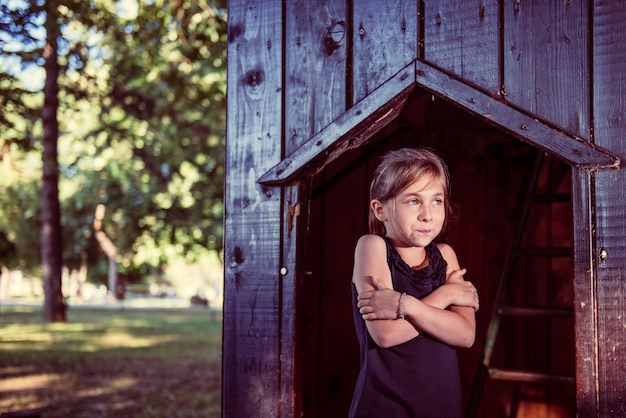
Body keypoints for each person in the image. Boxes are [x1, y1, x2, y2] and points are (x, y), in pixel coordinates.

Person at [349, 147, 479, 418]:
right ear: (380, 209)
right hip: (387, 406)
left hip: (441, 405)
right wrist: (446, 295)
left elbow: (465, 335)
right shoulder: (372, 247)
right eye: (413, 201)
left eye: (436, 201)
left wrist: (403, 304)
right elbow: (386, 335)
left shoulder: (445, 255)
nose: (428, 215)